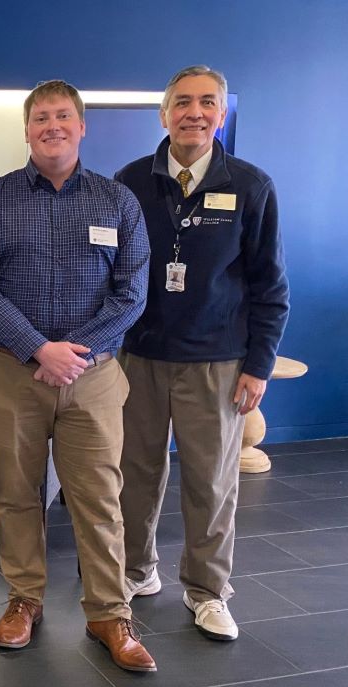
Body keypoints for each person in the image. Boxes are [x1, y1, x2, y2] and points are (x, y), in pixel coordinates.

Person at [0, 80, 157, 672]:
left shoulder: (118, 201)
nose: (53, 126)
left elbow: (133, 292)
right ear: (26, 130)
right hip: (12, 372)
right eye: (41, 117)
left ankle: (108, 613)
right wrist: (39, 349)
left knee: (98, 498)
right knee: (17, 495)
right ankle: (25, 600)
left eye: (63, 116)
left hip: (93, 376)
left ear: (81, 125)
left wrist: (78, 351)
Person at [115, 65, 289, 641]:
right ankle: (137, 572)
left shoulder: (251, 185)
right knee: (135, 474)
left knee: (212, 483)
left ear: (220, 113)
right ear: (164, 114)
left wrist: (258, 364)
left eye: (206, 102)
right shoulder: (131, 181)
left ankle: (208, 590)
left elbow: (271, 287)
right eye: (182, 102)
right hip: (138, 358)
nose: (194, 112)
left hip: (217, 362)